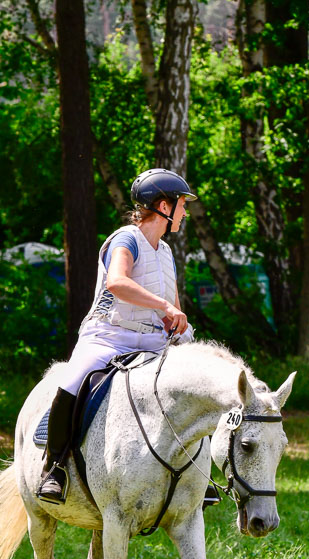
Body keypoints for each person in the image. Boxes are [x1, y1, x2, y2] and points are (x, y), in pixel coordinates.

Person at [37, 168, 198, 504]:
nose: (185, 211)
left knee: (195, 383)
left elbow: (173, 305)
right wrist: (165, 308)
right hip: (109, 335)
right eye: (182, 204)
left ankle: (195, 473)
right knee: (72, 381)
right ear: (164, 206)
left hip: (152, 339)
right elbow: (117, 283)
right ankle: (53, 468)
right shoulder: (125, 239)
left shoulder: (165, 252)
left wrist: (176, 324)